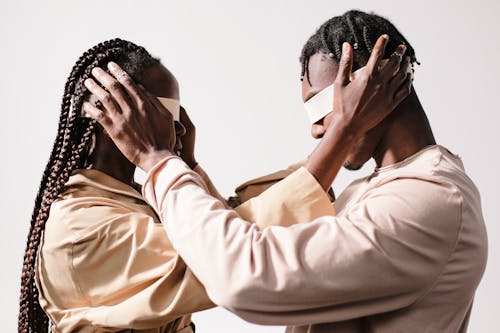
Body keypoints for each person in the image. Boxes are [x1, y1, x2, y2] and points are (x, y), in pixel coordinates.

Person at [87, 10, 487, 333]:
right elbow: (246, 236)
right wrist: (189, 168)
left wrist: (158, 161)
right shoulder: (372, 191)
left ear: (373, 80)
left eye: (318, 107)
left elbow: (245, 275)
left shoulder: (429, 200)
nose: (315, 129)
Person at [19, 35, 398, 333]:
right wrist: (343, 132)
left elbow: (223, 223)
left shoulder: (131, 201)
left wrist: (187, 166)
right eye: (168, 112)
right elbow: (224, 255)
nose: (180, 126)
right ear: (118, 113)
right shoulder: (77, 229)